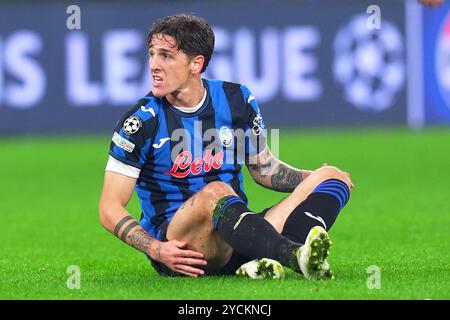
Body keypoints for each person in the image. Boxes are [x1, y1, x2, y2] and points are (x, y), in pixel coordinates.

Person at [99, 14, 354, 279]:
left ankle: (264, 262)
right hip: (183, 249)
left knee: (332, 177)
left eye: (166, 56)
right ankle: (294, 255)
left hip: (238, 236)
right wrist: (157, 249)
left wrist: (313, 179)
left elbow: (264, 170)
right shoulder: (140, 122)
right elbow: (109, 207)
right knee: (217, 191)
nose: (154, 65)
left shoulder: (236, 100)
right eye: (152, 54)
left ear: (196, 64)